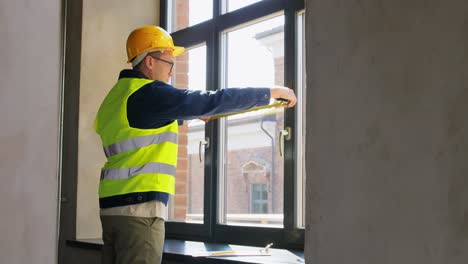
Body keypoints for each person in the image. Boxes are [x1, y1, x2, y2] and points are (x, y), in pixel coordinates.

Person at [94, 25, 297, 264]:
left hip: (112, 212)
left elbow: (141, 124)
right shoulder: (150, 93)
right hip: (140, 211)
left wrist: (187, 114)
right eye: (169, 63)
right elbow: (212, 99)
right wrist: (270, 92)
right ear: (150, 61)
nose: (171, 72)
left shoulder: (116, 98)